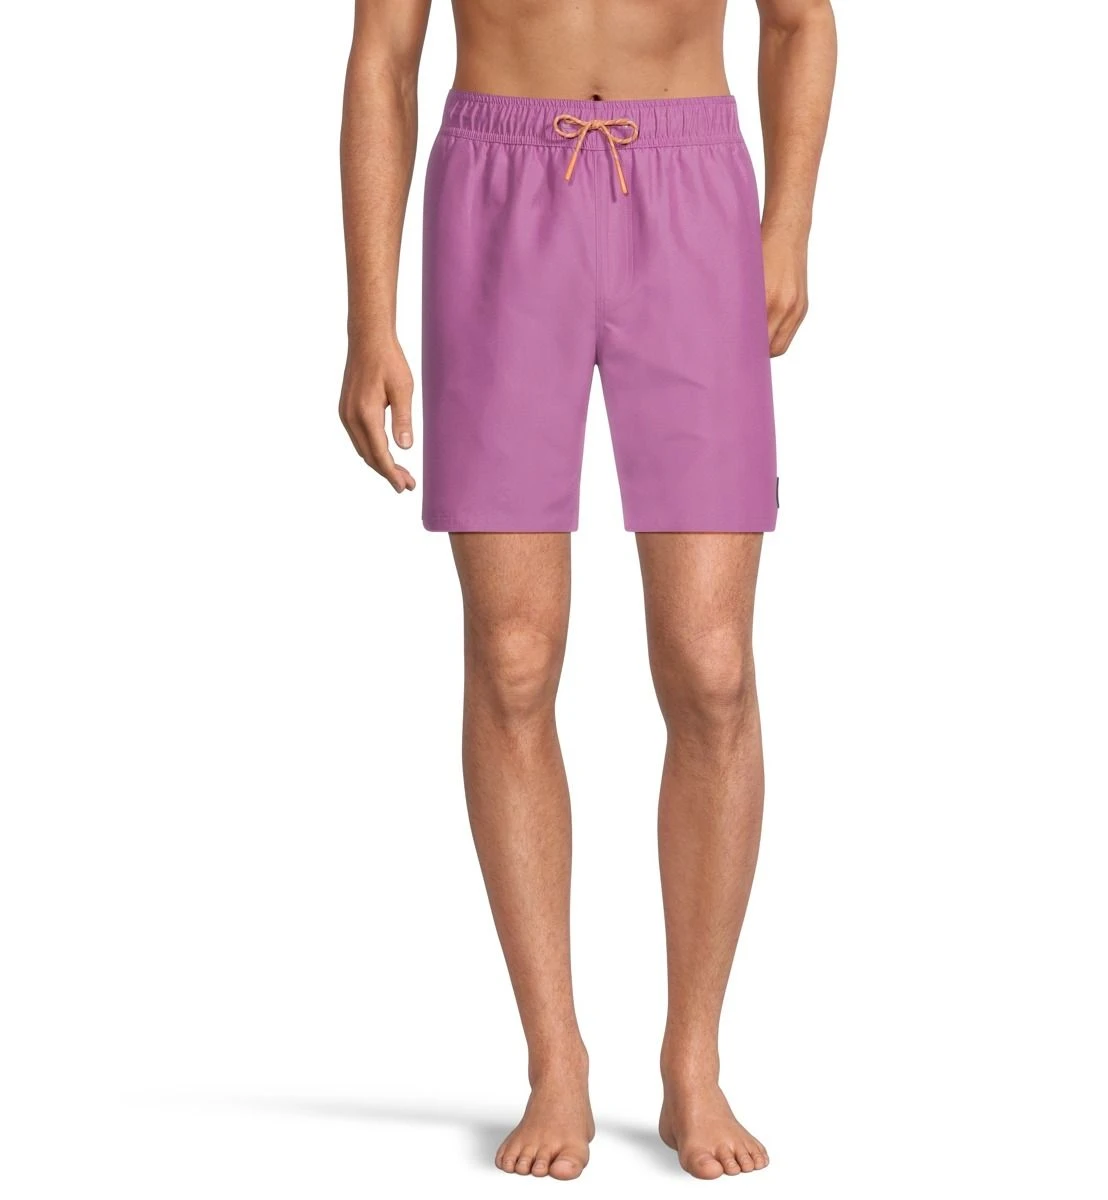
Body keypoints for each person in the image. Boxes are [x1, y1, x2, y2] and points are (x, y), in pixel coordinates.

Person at [338, 0, 835, 1180]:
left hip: (693, 187)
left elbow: (800, 21)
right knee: (514, 656)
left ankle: (694, 1061)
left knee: (712, 666)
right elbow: (384, 57)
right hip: (499, 191)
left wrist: (788, 226)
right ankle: (554, 1058)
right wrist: (369, 316)